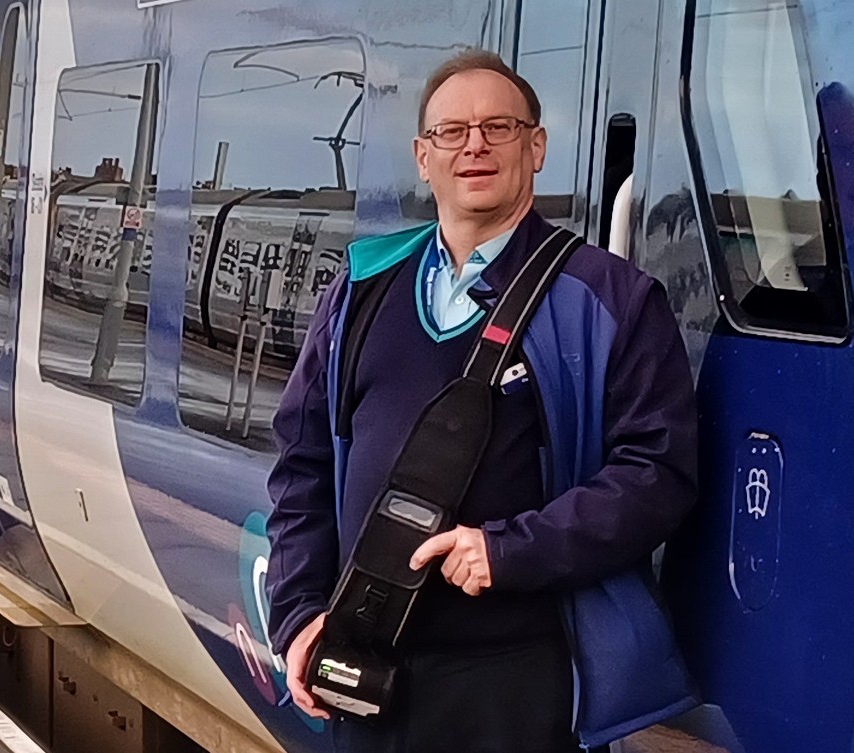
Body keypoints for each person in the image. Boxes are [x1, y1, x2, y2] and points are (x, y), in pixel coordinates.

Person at [265, 50, 700, 752]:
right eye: (452, 131)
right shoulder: (359, 291)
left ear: (537, 149)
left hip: (516, 676)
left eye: (499, 127)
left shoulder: (609, 298)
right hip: (368, 666)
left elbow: (658, 475)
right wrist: (298, 615)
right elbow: (302, 466)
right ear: (422, 156)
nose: (474, 145)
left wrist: (509, 550)